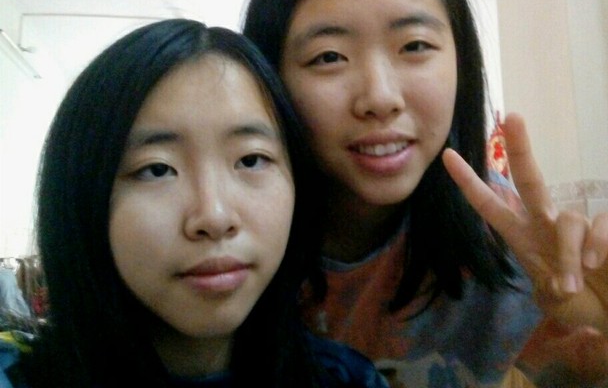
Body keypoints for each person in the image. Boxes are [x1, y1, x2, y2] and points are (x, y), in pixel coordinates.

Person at [242, 0, 608, 387]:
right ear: (269, 78)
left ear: (460, 63)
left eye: (414, 46)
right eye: (329, 56)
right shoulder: (228, 237)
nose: (380, 97)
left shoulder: (499, 234)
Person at [0, 19, 389, 387]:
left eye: (251, 160)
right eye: (156, 169)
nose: (214, 217)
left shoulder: (347, 380)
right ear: (82, 195)